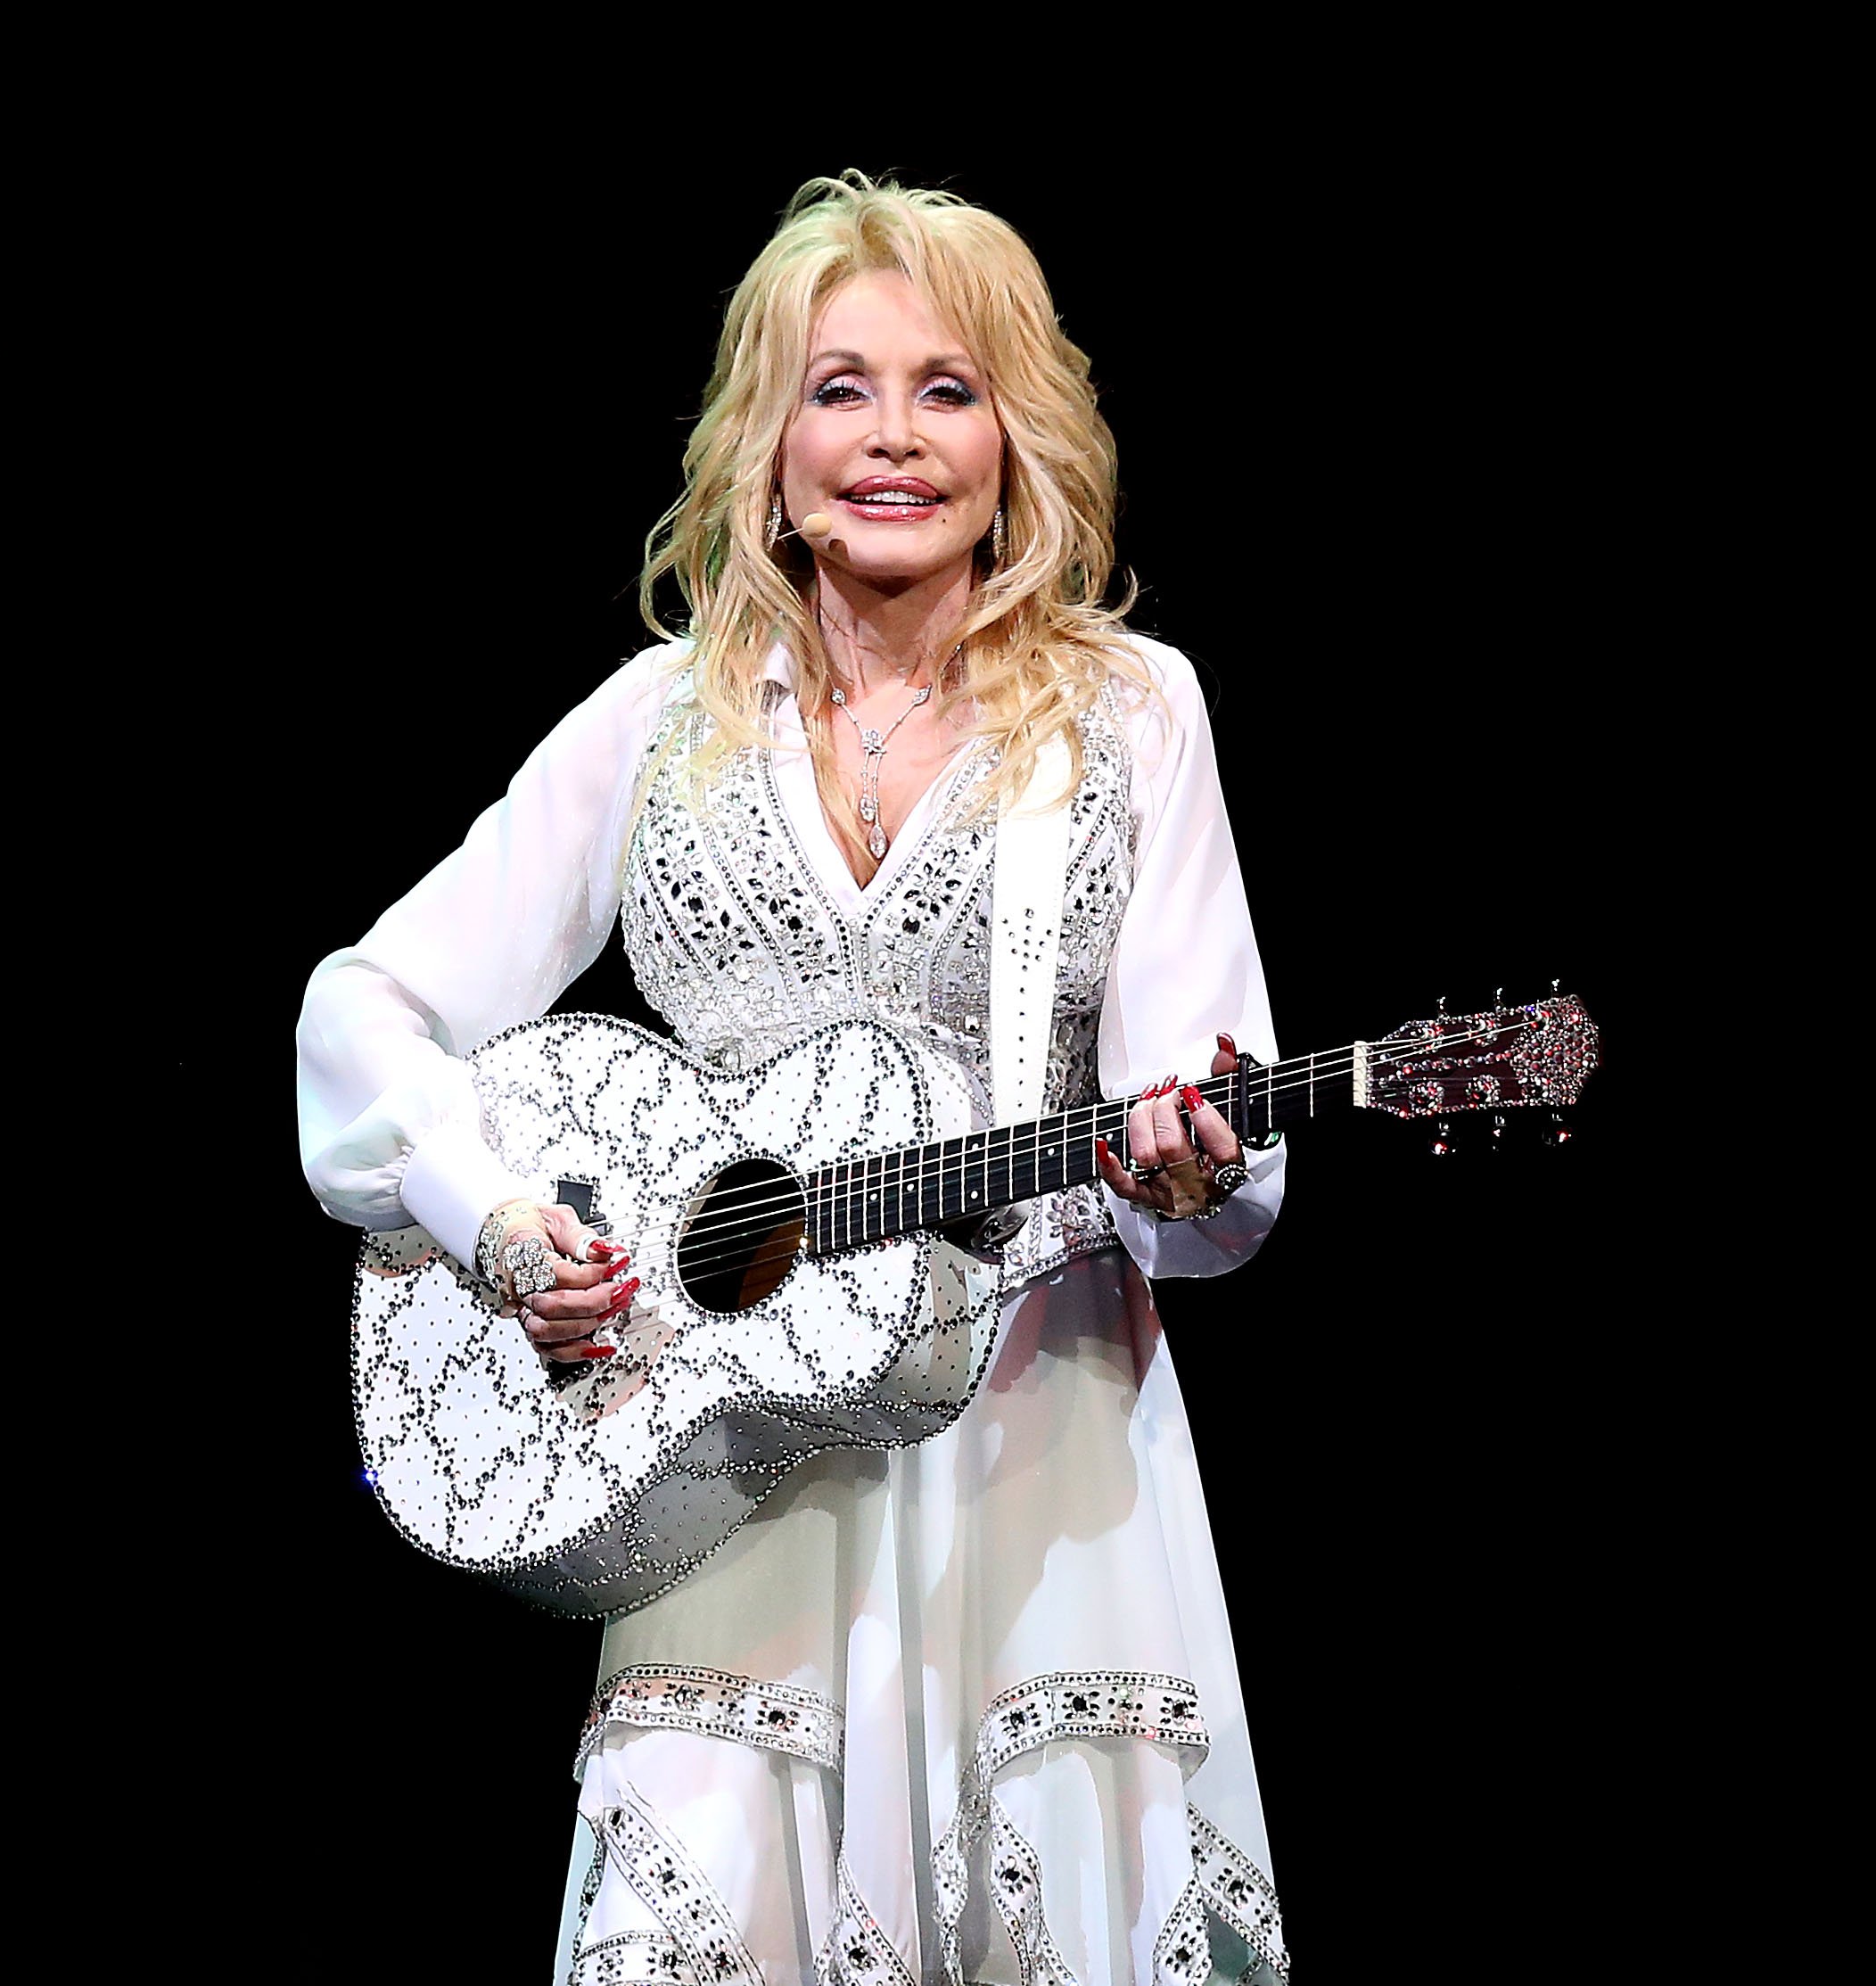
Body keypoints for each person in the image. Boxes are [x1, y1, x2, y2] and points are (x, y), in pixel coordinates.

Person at [296, 174, 1291, 1986]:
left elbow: (1199, 1138)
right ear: (764, 445)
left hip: (1040, 1456)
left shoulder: (1133, 710)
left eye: (946, 386)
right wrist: (500, 1220)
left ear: (1014, 437)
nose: (891, 439)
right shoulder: (649, 725)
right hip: (722, 1468)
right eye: (838, 388)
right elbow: (358, 1010)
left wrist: (1187, 1167)